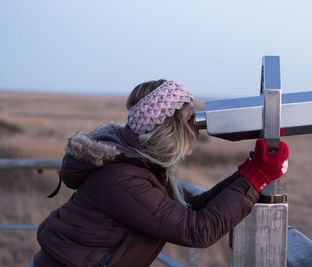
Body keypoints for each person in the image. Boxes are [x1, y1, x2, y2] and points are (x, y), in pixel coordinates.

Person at [30, 79, 289, 267]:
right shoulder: (121, 179)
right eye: (190, 121)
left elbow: (192, 206)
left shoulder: (137, 164)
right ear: (168, 130)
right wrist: (255, 178)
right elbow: (197, 230)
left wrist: (248, 171)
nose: (197, 130)